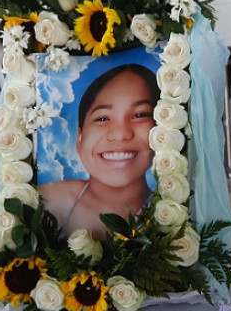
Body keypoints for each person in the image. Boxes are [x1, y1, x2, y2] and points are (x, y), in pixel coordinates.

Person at [38, 64, 160, 240]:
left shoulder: (174, 212)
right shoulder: (48, 200)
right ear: (80, 138)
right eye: (102, 118)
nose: (120, 134)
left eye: (139, 115)